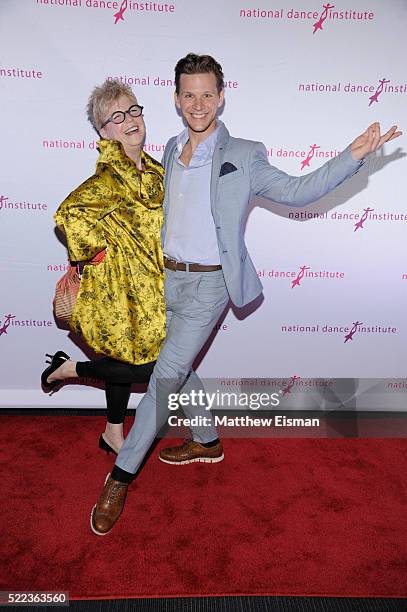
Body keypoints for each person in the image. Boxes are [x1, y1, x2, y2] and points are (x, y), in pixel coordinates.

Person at [91, 54, 402, 535]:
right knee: (178, 364)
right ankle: (207, 439)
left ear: (221, 97)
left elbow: (299, 191)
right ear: (176, 100)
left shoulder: (245, 154)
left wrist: (353, 155)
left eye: (207, 94)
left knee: (165, 375)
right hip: (163, 280)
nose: (198, 104)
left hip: (210, 284)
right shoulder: (170, 151)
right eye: (188, 95)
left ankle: (120, 476)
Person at [42, 79, 166, 455]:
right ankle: (67, 370)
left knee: (125, 361)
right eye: (116, 116)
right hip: (117, 290)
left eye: (133, 110)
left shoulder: (155, 170)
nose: (129, 120)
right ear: (103, 131)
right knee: (143, 370)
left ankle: (113, 432)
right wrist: (96, 251)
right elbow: (69, 214)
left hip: (153, 287)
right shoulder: (110, 177)